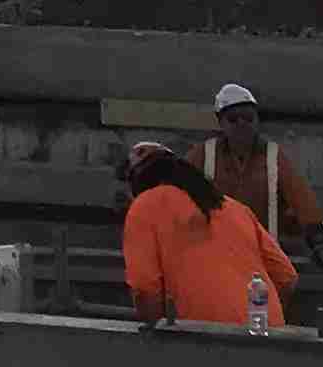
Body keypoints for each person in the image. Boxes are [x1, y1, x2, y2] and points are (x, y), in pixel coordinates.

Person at [120, 133, 299, 326]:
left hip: (204, 336)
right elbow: (286, 277)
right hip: (267, 330)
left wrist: (157, 327)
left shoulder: (145, 206)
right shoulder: (234, 207)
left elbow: (144, 287)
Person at [196, 81, 323, 252]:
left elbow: (301, 197)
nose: (242, 124)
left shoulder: (273, 156)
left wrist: (317, 238)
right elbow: (174, 193)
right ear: (220, 122)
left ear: (257, 121)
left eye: (248, 118)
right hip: (216, 253)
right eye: (233, 119)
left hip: (262, 255)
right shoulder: (204, 154)